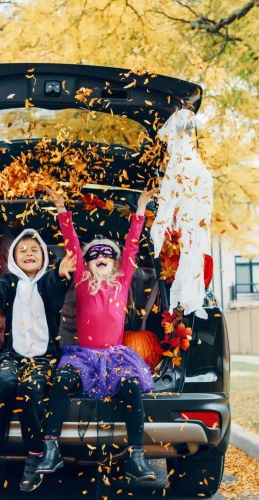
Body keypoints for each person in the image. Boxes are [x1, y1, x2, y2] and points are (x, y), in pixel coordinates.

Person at [37, 187, 159, 481]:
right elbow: (73, 245)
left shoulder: (123, 281)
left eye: (107, 254)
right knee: (63, 380)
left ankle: (136, 456)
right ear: (87, 263)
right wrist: (62, 209)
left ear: (116, 263)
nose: (100, 257)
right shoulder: (81, 280)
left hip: (115, 354)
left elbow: (131, 246)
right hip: (84, 355)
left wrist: (140, 209)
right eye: (94, 255)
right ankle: (51, 449)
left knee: (130, 384)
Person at [0, 227, 75, 493]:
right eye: (22, 250)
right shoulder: (10, 283)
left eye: (34, 250)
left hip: (44, 358)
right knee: (3, 383)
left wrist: (59, 272)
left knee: (31, 390)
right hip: (13, 355)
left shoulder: (48, 282)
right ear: (13, 258)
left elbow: (56, 284)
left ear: (44, 256)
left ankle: (35, 455)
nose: (28, 253)